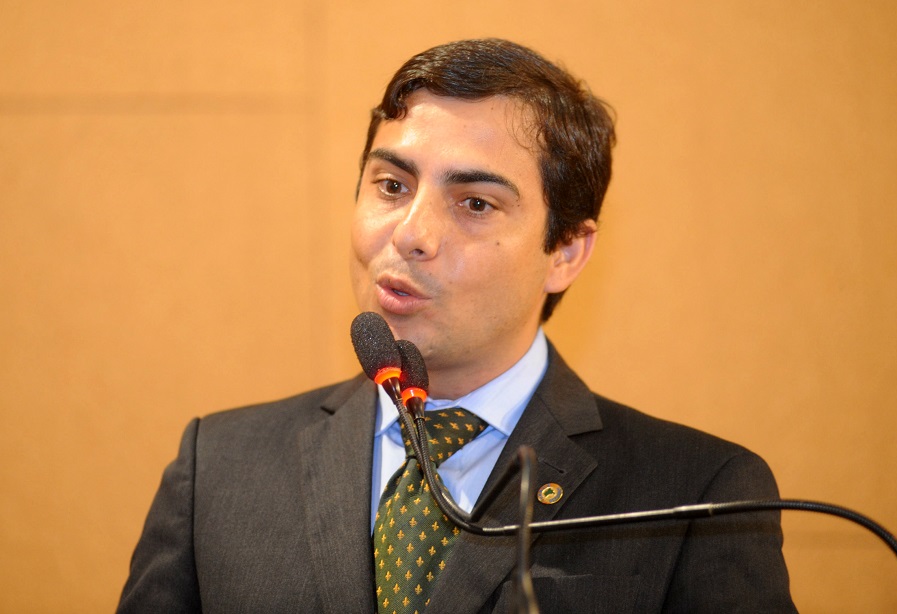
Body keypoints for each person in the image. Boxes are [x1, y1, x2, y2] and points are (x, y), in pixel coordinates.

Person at [118, 39, 796, 613]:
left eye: (474, 203)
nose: (412, 234)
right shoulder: (219, 469)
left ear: (565, 251)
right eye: (391, 186)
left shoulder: (696, 495)